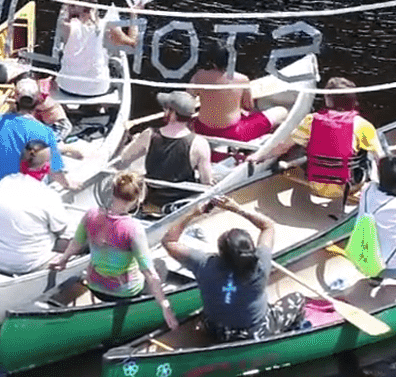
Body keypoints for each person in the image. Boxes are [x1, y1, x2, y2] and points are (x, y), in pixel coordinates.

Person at [163, 194, 302, 341]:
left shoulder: (204, 263)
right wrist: (237, 209)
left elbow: (169, 241)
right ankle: (291, 334)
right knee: (298, 298)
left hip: (216, 330)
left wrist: (193, 213)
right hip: (255, 332)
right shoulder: (261, 262)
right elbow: (268, 226)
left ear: (221, 252)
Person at [53, 172, 181, 330]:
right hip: (123, 292)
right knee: (160, 265)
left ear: (112, 191)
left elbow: (76, 244)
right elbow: (149, 272)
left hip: (95, 285)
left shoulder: (91, 214)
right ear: (138, 199)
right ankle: (139, 313)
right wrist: (165, 306)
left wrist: (63, 260)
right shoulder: (133, 229)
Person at [250, 77, 385, 203]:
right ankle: (372, 189)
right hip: (349, 187)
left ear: (327, 99)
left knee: (300, 144)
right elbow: (380, 159)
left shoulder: (311, 120)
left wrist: (260, 156)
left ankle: (290, 165)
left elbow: (283, 147)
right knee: (375, 144)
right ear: (354, 100)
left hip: (315, 185)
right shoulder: (362, 125)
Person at [0, 142, 77, 274]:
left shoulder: (5, 182)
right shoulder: (48, 196)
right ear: (46, 168)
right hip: (27, 264)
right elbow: (62, 230)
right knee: (73, 231)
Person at [116, 89, 214, 213]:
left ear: (172, 114)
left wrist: (131, 139)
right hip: (181, 201)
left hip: (153, 199)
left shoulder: (149, 135)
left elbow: (124, 159)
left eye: (166, 109)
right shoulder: (200, 144)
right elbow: (206, 182)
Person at [190, 38, 286, 156]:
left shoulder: (199, 76)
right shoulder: (242, 79)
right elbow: (248, 106)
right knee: (282, 111)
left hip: (202, 128)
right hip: (234, 133)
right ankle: (266, 145)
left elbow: (187, 100)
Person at [56, 0, 137, 101]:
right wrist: (134, 14)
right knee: (114, 64)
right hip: (98, 89)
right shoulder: (106, 25)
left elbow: (68, 7)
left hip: (67, 87)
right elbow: (132, 43)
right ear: (93, 7)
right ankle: (102, 107)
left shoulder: (65, 26)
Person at [0, 83, 69, 193]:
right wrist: (68, 185)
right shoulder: (45, 132)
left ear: (15, 100)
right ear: (37, 103)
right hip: (21, 192)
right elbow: (56, 170)